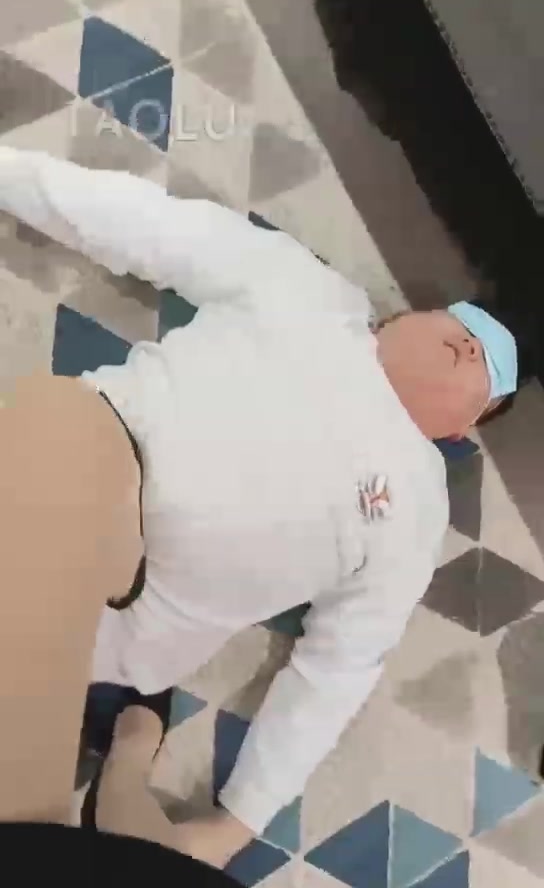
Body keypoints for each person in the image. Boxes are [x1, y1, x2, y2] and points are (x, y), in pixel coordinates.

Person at [0, 147, 521, 867]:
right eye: (461, 330)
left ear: (461, 432)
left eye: (489, 376)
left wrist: (239, 819)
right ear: (395, 319)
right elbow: (149, 225)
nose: (472, 350)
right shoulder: (308, 291)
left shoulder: (417, 510)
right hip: (90, 463)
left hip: (119, 625)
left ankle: (108, 781)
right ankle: (114, 769)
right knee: (59, 428)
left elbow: (338, 667)